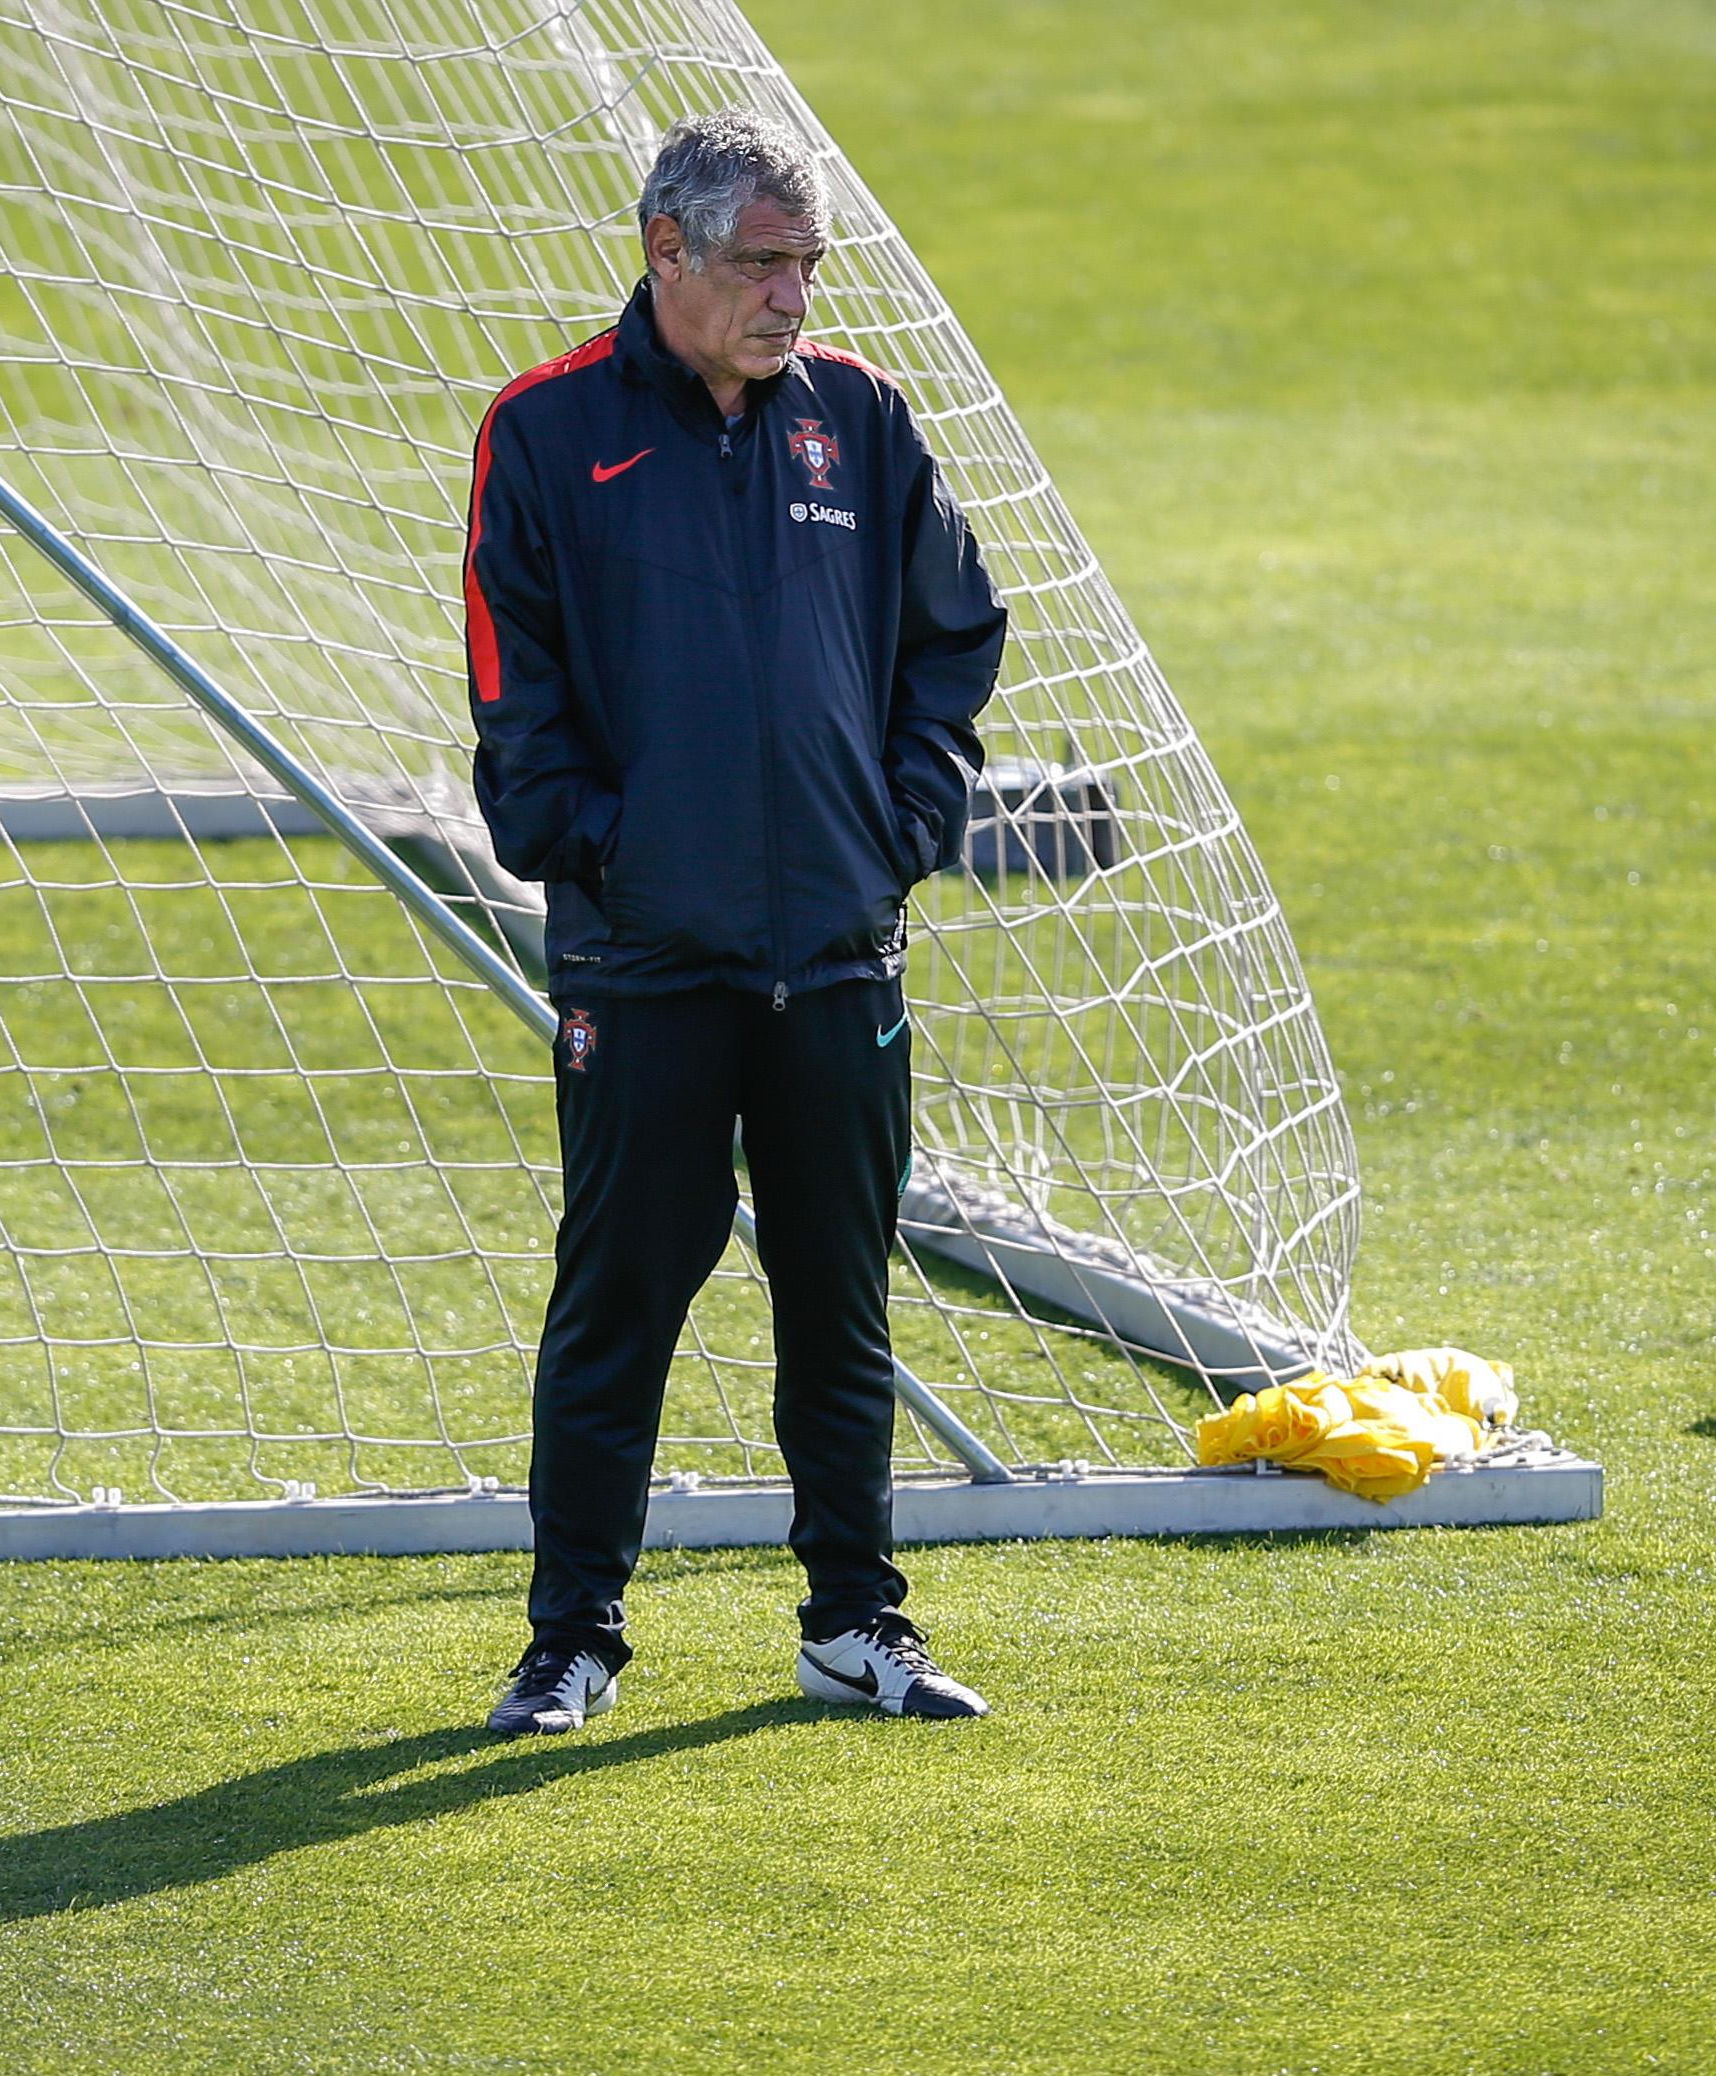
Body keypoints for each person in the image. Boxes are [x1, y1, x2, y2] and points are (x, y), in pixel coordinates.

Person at [462, 109, 1008, 1734]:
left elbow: (955, 637)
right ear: (668, 253)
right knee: (618, 1302)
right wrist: (618, 851)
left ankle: (854, 1624)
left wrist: (900, 827)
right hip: (643, 968)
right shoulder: (546, 434)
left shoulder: (859, 418)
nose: (793, 297)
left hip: (839, 957)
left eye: (807, 265)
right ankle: (572, 1641)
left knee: (840, 1306)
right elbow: (517, 704)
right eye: (763, 264)